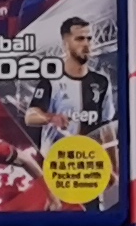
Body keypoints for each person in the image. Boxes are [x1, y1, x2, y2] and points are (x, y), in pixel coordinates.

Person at [42, 13, 115, 153]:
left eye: (89, 39)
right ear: (65, 45)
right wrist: (51, 118)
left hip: (90, 160)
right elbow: (32, 115)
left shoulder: (102, 82)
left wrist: (115, 165)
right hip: (57, 159)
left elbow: (107, 127)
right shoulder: (51, 82)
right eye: (80, 39)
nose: (86, 44)